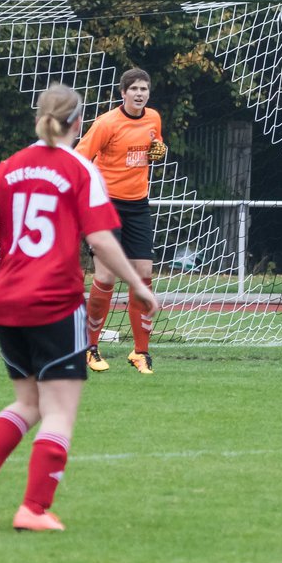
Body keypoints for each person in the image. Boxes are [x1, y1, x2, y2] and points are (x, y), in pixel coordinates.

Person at [0, 84, 158, 531]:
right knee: (59, 410)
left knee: (28, 402)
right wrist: (137, 287)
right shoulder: (81, 169)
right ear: (78, 123)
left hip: (6, 302)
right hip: (55, 302)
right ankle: (34, 509)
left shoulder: (7, 168)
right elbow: (102, 239)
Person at [75, 68, 167, 375]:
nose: (140, 93)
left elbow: (155, 146)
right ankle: (90, 347)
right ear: (122, 93)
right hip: (105, 206)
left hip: (138, 206)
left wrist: (159, 152)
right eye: (134, 89)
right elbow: (79, 156)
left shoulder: (153, 118)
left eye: (145, 88)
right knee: (107, 277)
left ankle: (140, 352)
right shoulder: (107, 123)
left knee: (143, 275)